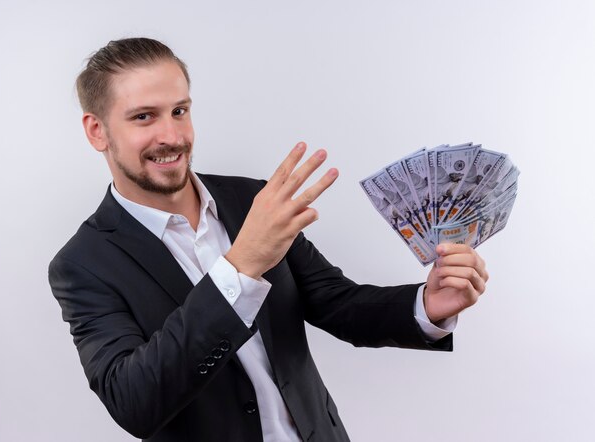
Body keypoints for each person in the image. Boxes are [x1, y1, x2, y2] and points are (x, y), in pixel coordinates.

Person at [49, 37, 489, 442]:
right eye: (144, 117)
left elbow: (336, 303)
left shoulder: (251, 200)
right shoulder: (83, 264)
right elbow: (134, 402)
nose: (172, 136)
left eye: (179, 111)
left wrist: (426, 307)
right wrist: (240, 265)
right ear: (97, 131)